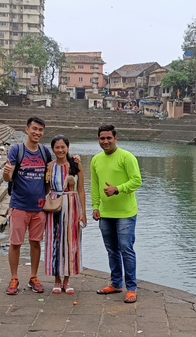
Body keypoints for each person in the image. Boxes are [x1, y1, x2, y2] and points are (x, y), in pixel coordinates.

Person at [90, 125, 142, 303]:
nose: (105, 141)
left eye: (108, 138)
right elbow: (95, 186)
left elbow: (137, 181)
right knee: (112, 250)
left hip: (125, 213)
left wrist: (117, 189)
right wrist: (95, 206)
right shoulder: (96, 160)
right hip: (105, 213)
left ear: (115, 138)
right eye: (102, 138)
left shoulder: (126, 157)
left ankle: (131, 288)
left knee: (126, 249)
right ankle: (116, 283)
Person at [3, 117, 53, 295]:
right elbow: (8, 178)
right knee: (15, 243)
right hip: (19, 206)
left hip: (38, 209)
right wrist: (6, 174)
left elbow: (49, 177)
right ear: (27, 129)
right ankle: (14, 278)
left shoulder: (45, 152)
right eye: (34, 129)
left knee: (35, 243)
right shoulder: (17, 150)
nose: (37, 132)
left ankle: (33, 277)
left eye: (40, 130)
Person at [45, 135, 86, 295]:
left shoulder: (76, 165)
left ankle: (67, 280)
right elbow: (46, 188)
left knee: (71, 241)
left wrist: (83, 212)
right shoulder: (49, 166)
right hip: (55, 206)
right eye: (57, 147)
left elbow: (81, 189)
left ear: (67, 148)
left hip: (72, 205)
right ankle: (56, 280)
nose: (60, 150)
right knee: (54, 241)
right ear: (53, 149)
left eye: (63, 147)